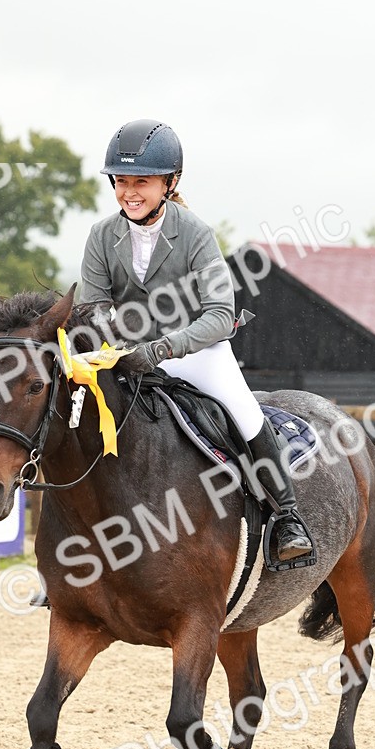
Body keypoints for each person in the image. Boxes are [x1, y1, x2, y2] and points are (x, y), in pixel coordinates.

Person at [79, 118, 313, 561]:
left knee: (242, 412)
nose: (129, 192)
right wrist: (110, 343)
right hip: (127, 356)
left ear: (169, 183)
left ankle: (287, 517)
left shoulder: (196, 234)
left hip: (195, 353)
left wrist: (163, 349)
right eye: (121, 181)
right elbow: (92, 307)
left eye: (141, 182)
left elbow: (222, 315)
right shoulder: (101, 236)